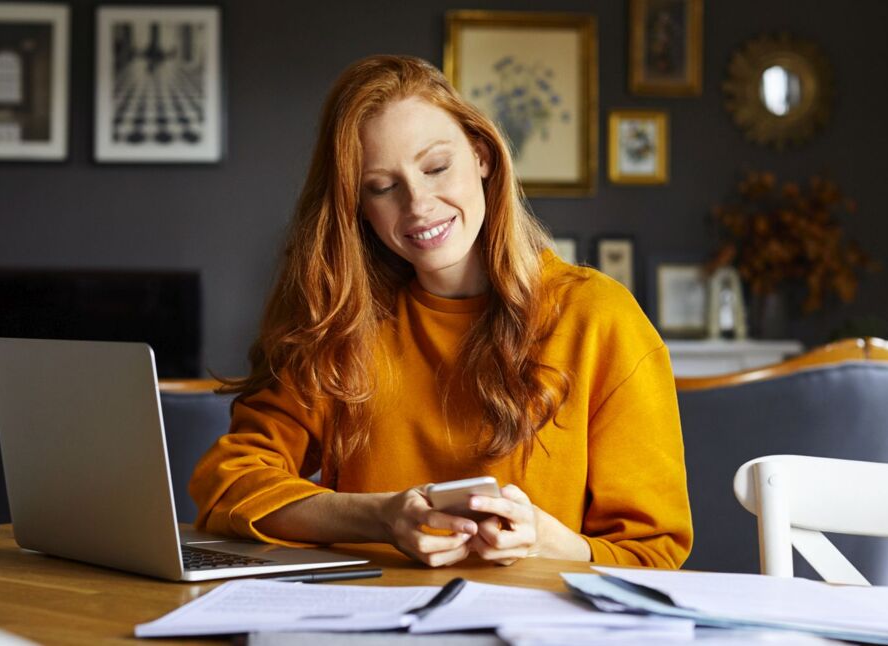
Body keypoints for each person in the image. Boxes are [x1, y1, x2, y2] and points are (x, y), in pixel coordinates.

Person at [189, 55, 692, 568]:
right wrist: (381, 517)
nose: (418, 204)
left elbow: (653, 553)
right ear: (358, 207)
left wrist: (545, 540)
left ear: (482, 156)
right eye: (382, 187)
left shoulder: (597, 317)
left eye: (435, 167)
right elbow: (230, 483)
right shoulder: (345, 323)